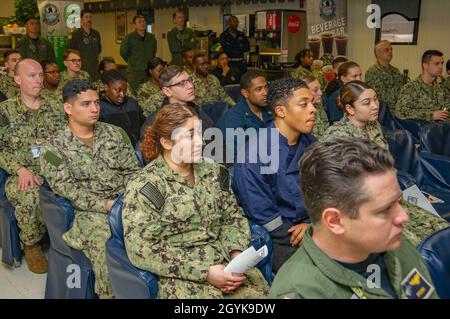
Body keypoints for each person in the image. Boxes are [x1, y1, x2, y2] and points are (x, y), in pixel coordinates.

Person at [122, 104, 269, 298]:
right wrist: (205, 272)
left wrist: (236, 255)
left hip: (227, 265)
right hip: (183, 279)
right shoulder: (147, 186)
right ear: (167, 143)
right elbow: (141, 248)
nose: (200, 141)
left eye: (199, 133)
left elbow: (232, 216)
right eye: (190, 135)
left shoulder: (214, 171)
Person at [269, 137, 439, 299]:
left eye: (398, 202)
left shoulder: (396, 244)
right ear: (335, 221)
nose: (403, 216)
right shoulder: (300, 291)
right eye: (385, 209)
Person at [40, 80, 141, 298]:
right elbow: (66, 189)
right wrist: (105, 205)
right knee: (106, 243)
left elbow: (133, 172)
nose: (95, 109)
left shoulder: (115, 134)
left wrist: (129, 201)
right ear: (68, 108)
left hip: (125, 202)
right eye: (86, 104)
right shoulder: (52, 149)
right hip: (87, 213)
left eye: (96, 102)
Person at [322, 81, 448, 246]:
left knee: (441, 228)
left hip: (392, 195)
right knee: (417, 244)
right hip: (366, 207)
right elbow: (342, 185)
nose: (375, 106)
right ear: (350, 109)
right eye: (367, 103)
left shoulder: (373, 125)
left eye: (375, 99)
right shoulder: (338, 136)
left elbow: (385, 164)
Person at [232, 77, 317, 272]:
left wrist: (312, 225)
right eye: (304, 104)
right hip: (281, 240)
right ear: (280, 111)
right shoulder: (255, 155)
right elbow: (264, 217)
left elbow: (329, 192)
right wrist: (306, 235)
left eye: (312, 103)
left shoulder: (312, 144)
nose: (313, 109)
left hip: (313, 228)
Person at [0, 59, 65, 274]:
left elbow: (63, 144)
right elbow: (1, 148)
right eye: (31, 75)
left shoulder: (55, 106)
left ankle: (67, 242)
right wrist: (20, 169)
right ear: (17, 79)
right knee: (30, 194)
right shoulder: (5, 110)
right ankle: (32, 244)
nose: (38, 79)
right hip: (21, 172)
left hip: (53, 168)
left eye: (40, 75)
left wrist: (57, 170)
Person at [139, 65, 214, 139]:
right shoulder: (155, 123)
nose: (190, 86)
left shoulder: (197, 111)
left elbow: (216, 142)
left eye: (189, 80)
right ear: (167, 91)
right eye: (181, 83)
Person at [217, 71, 271, 163]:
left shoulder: (270, 111)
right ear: (245, 93)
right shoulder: (233, 118)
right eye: (259, 89)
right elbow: (238, 158)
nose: (265, 93)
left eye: (266, 87)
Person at [396, 50, 449, 122]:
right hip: (421, 131)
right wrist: (430, 115)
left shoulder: (441, 88)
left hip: (442, 129)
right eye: (437, 64)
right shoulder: (411, 88)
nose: (441, 67)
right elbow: (400, 112)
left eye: (442, 63)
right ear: (425, 65)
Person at [99, 70, 145, 147]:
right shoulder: (98, 107)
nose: (122, 94)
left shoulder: (132, 103)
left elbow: (143, 123)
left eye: (124, 90)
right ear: (106, 87)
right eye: (118, 90)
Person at [120, 15, 157, 93]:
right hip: (134, 73)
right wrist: (132, 62)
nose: (142, 24)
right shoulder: (129, 38)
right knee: (134, 94)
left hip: (147, 72)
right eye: (139, 22)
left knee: (148, 94)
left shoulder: (151, 37)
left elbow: (154, 51)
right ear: (135, 25)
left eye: (143, 21)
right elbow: (123, 52)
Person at [365, 40, 404, 112]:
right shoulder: (372, 72)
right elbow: (378, 96)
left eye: (391, 49)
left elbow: (402, 92)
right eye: (387, 50)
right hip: (382, 112)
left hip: (398, 110)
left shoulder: (395, 71)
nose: (390, 52)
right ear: (378, 53)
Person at [68, 10, 102, 81]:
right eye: (86, 17)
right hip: (80, 70)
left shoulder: (96, 34)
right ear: (81, 19)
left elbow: (99, 50)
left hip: (94, 70)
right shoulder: (75, 34)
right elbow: (70, 52)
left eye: (90, 17)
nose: (89, 19)